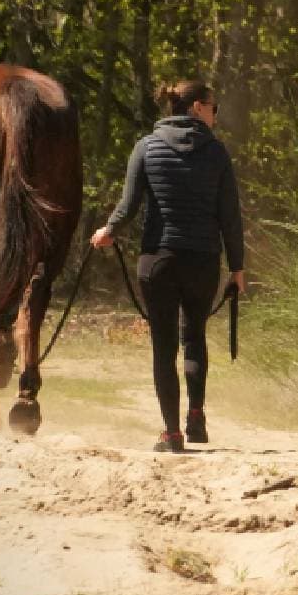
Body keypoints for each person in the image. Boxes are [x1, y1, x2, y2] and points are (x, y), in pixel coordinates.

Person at [90, 79, 245, 453]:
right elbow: (230, 218)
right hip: (203, 261)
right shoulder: (217, 153)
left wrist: (107, 231)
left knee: (163, 345)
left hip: (158, 260)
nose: (216, 114)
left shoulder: (146, 148)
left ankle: (172, 433)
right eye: (213, 107)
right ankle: (196, 415)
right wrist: (237, 269)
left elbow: (128, 206)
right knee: (193, 335)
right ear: (196, 108)